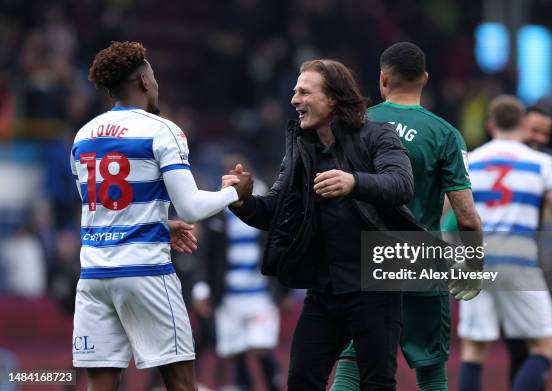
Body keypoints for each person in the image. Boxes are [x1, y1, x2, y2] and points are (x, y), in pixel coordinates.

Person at [226, 58, 425, 390]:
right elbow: (276, 210)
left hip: (374, 284)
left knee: (378, 384)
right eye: (294, 92)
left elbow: (401, 184)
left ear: (333, 98)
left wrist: (353, 182)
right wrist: (241, 200)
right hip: (324, 289)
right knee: (302, 380)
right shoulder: (301, 148)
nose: (294, 100)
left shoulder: (378, 134)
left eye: (304, 92)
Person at [70, 41, 252, 391]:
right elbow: (191, 207)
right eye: (153, 76)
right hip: (145, 274)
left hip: (93, 278)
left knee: (99, 386)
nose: (156, 84)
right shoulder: (162, 130)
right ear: (142, 81)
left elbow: (101, 209)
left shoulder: (83, 136)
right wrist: (235, 193)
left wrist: (158, 225)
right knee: (181, 384)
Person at [330, 42, 483, 391]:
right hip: (419, 256)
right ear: (425, 79)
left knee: (352, 362)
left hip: (361, 257)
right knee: (431, 371)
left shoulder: (356, 125)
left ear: (383, 78)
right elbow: (467, 216)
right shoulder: (445, 134)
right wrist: (472, 268)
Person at [458, 95, 552, 391]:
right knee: (543, 347)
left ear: (490, 124)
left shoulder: (471, 160)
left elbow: (444, 210)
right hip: (519, 260)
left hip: (475, 260)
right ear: (523, 126)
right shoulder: (540, 162)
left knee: (474, 350)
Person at [192, 154, 285, 391]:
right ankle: (245, 386)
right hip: (229, 293)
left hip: (260, 292)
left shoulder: (269, 200)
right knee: (235, 350)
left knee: (260, 345)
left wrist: (284, 289)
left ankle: (273, 385)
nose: (232, 176)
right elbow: (207, 253)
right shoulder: (218, 205)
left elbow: (282, 245)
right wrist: (202, 287)